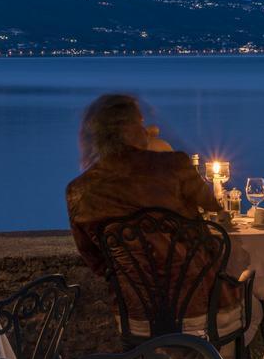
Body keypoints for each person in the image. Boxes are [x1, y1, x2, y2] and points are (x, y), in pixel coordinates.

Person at [66, 94, 219, 275]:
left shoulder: (77, 191)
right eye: (140, 123)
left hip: (132, 301)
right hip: (195, 293)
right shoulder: (174, 164)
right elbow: (212, 205)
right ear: (125, 130)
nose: (146, 131)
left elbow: (96, 261)